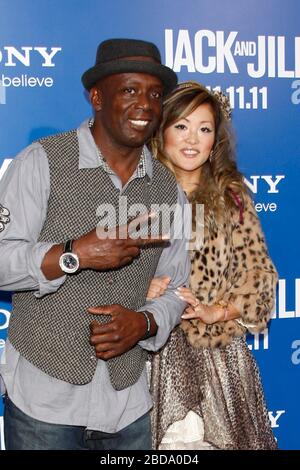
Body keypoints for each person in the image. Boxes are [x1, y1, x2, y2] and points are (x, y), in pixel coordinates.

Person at [0, 39, 191, 450]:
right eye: (130, 90)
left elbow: (178, 285)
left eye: (155, 94)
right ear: (97, 97)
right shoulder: (41, 162)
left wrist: (144, 323)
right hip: (44, 399)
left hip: (127, 405)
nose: (145, 104)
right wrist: (73, 254)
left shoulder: (168, 188)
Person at [148, 81, 278, 450]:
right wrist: (141, 288)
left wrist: (216, 312)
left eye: (204, 129)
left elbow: (259, 276)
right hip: (144, 355)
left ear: (215, 140)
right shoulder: (135, 192)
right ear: (162, 130)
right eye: (181, 126)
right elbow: (101, 272)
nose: (192, 139)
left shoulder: (231, 196)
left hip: (217, 363)